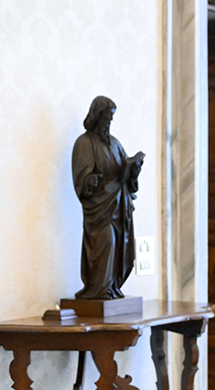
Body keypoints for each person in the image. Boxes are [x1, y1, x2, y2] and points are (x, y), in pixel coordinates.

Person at [71, 96, 145, 300]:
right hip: (100, 210)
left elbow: (124, 174)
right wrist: (89, 181)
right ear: (96, 116)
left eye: (111, 119)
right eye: (106, 118)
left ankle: (111, 288)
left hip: (119, 206)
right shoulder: (84, 143)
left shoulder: (115, 144)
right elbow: (80, 178)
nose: (109, 123)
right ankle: (98, 290)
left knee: (121, 247)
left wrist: (134, 171)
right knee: (106, 242)